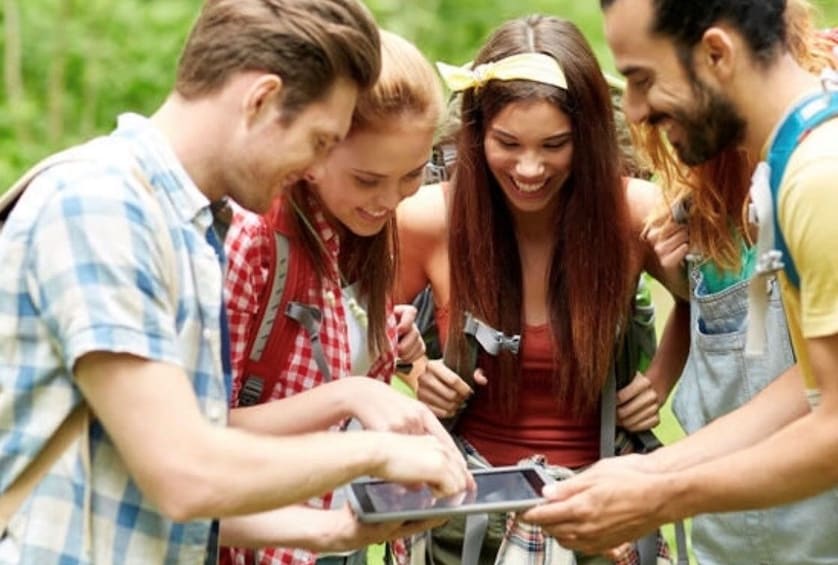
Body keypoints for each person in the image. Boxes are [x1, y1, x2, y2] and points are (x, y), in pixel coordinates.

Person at [0, 1, 470, 563]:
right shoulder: (101, 206)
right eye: (320, 141)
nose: (312, 170)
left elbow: (153, 483)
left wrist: (332, 532)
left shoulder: (190, 229)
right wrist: (373, 452)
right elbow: (185, 474)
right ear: (262, 100)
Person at [523, 0, 838, 556]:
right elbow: (813, 387)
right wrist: (646, 474)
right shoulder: (790, 166)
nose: (637, 111)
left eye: (643, 79)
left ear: (717, 53)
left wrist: (661, 498)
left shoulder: (821, 180)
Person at [396, 14, 685, 564]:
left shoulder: (632, 214)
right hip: (462, 517)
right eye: (508, 143)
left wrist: (661, 376)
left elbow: (714, 301)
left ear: (589, 139)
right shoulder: (429, 220)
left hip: (604, 510)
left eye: (555, 145)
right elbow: (360, 323)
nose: (530, 168)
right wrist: (416, 370)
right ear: (477, 133)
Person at [219, 29, 444, 565]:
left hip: (337, 528)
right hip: (259, 537)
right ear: (318, 147)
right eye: (368, 179)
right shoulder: (252, 238)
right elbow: (200, 429)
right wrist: (350, 395)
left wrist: (383, 339)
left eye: (413, 175)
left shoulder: (363, 227)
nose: (389, 200)